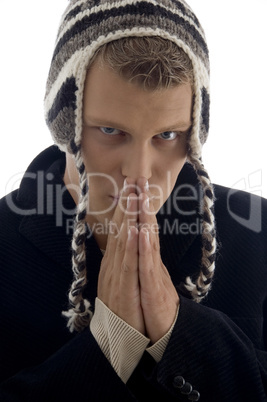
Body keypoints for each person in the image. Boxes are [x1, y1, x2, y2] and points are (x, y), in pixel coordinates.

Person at [0, 0, 266, 401]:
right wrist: (107, 346)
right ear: (64, 121)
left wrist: (180, 334)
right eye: (110, 130)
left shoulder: (258, 233)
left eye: (167, 135)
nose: (139, 173)